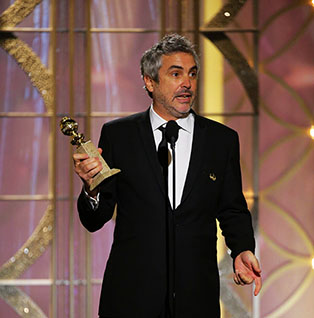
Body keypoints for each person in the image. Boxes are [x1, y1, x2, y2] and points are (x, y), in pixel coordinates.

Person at [73, 34, 261, 318]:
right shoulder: (119, 136)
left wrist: (242, 249)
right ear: (149, 81)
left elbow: (232, 207)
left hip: (195, 298)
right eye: (175, 74)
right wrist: (91, 189)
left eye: (192, 74)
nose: (187, 83)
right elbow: (95, 219)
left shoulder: (221, 140)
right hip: (131, 297)